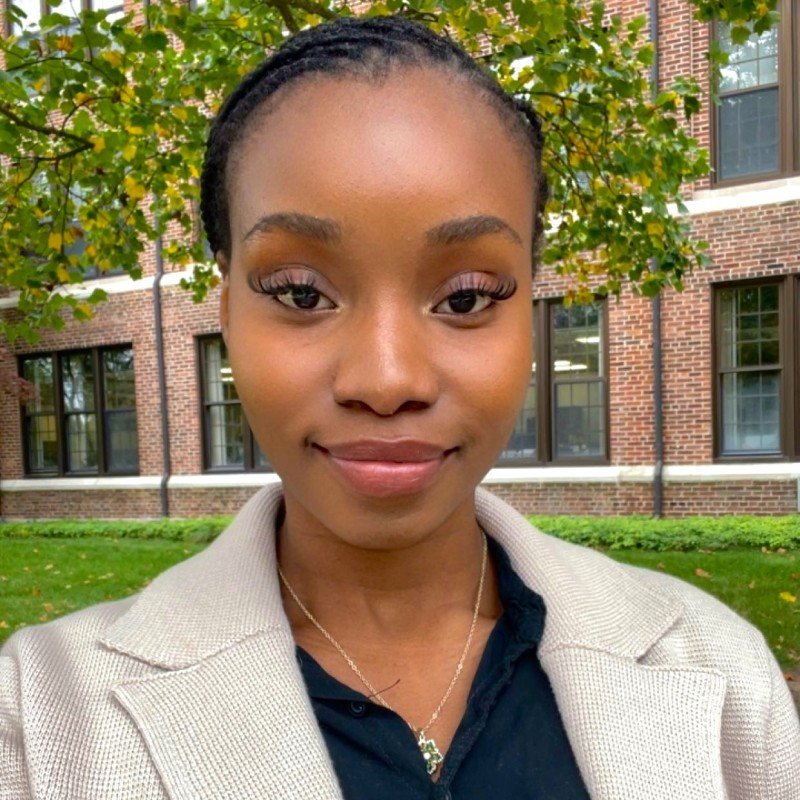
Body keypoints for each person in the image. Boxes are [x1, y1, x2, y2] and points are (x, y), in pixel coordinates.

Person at [1, 14, 798, 800]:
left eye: (466, 297)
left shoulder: (720, 673)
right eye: (301, 293)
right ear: (228, 311)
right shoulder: (38, 721)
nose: (386, 379)